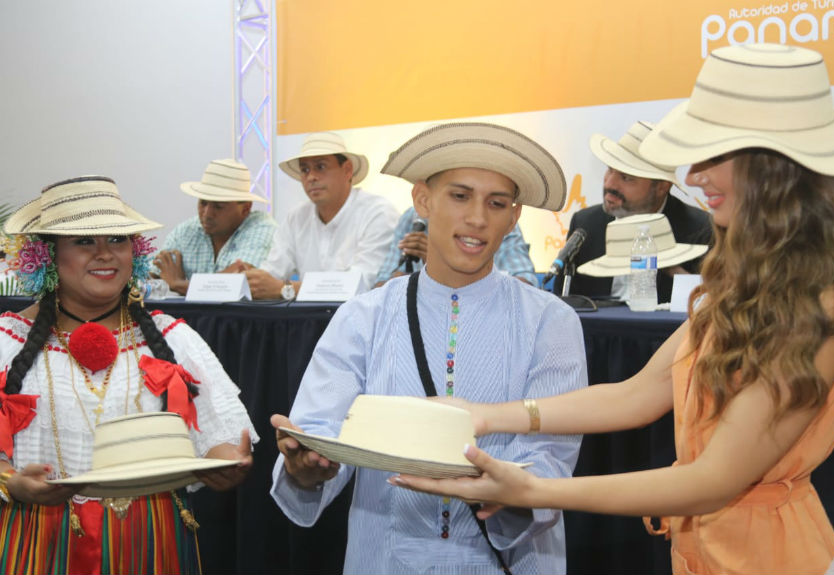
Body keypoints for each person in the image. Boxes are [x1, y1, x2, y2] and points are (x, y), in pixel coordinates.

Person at [389, 44, 834, 575]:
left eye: (713, 157)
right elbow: (636, 395)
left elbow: (711, 481)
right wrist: (487, 414)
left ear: (774, 168)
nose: (694, 177)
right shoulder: (745, 287)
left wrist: (534, 490)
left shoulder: (821, 306)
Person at [270, 122, 588, 574]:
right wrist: (306, 468)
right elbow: (320, 428)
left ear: (514, 217)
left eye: (497, 203)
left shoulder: (550, 321)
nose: (477, 218)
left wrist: (512, 490)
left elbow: (550, 456)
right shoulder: (363, 316)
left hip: (511, 560)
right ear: (423, 200)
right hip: (383, 558)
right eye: (460, 196)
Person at [0, 176, 259, 574]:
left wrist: (226, 463)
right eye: (85, 241)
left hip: (151, 541)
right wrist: (9, 481)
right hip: (40, 542)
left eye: (118, 239)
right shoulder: (7, 342)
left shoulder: (173, 338)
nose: (105, 254)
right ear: (46, 254)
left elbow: (220, 440)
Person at [565, 121, 712, 302]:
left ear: (661, 187)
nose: (610, 184)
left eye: (626, 178)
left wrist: (676, 272)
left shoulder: (701, 230)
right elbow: (565, 302)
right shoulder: (585, 224)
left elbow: (710, 304)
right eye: (610, 170)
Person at [240, 132, 398, 299]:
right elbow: (272, 272)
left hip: (359, 314)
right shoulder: (296, 218)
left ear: (347, 170)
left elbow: (362, 284)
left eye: (320, 167)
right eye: (304, 170)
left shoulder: (377, 213)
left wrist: (285, 289)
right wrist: (252, 279)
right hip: (304, 314)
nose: (311, 177)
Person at [152, 159, 276, 295]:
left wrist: (178, 284)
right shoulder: (185, 231)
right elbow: (153, 276)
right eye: (203, 203)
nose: (207, 214)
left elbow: (238, 282)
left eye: (218, 206)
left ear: (246, 208)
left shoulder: (262, 226)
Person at [374, 206, 539, 287]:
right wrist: (404, 280)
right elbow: (379, 289)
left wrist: (440, 265)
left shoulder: (496, 219)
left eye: (460, 196)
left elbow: (526, 286)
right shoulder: (412, 216)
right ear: (422, 197)